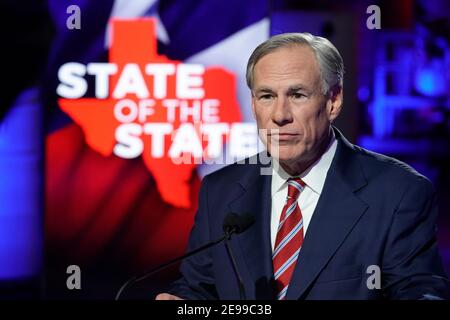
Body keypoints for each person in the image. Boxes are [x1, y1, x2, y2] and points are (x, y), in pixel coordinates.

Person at [156, 33, 450, 300]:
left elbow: (420, 293)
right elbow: (199, 289)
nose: (280, 115)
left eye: (297, 95)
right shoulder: (219, 191)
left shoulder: (398, 192)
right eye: (267, 96)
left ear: (333, 101)